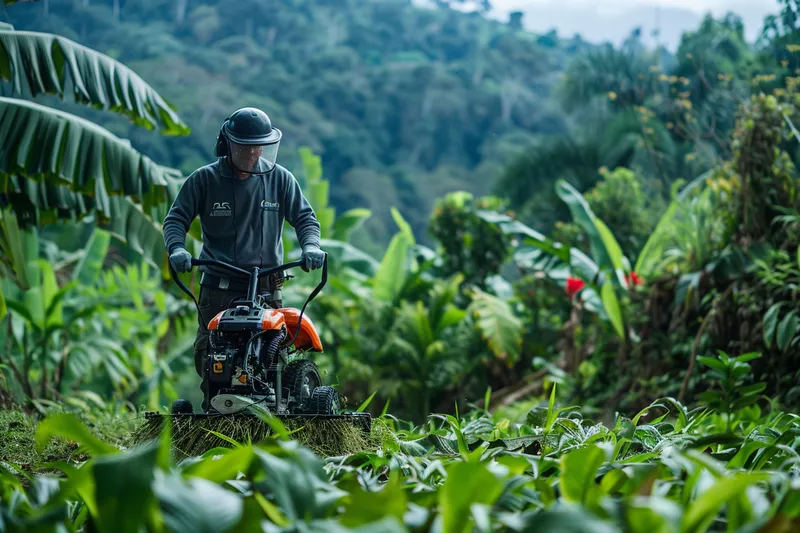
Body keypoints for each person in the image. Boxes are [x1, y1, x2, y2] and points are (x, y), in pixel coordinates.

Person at [162, 107, 324, 412]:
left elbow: (305, 218)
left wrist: (310, 247)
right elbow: (176, 219)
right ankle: (217, 409)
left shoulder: (280, 179)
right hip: (219, 285)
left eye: (258, 146)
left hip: (266, 285)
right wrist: (177, 249)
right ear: (227, 144)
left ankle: (272, 415)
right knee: (213, 354)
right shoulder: (205, 180)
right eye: (244, 146)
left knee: (271, 353)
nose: (252, 153)